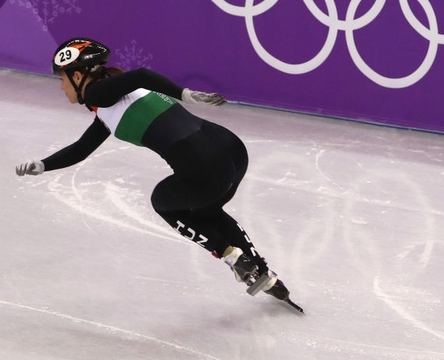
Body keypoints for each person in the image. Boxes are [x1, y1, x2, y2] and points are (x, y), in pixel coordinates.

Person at [15, 37, 301, 312]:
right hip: (231, 150)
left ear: (78, 76)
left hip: (204, 164)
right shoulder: (109, 104)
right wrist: (43, 164)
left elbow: (141, 74)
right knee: (207, 212)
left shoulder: (97, 93)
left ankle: (229, 254)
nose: (61, 86)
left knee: (162, 201)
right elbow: (81, 148)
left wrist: (184, 94)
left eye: (62, 78)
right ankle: (264, 275)